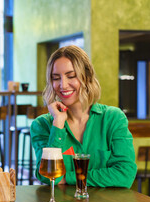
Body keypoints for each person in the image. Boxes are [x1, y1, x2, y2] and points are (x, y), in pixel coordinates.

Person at [30, 45, 137, 188]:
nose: (63, 85)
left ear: (86, 77)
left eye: (71, 76)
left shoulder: (113, 118)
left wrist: (68, 178)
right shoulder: (42, 125)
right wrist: (58, 125)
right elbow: (47, 176)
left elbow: (125, 174)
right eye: (56, 78)